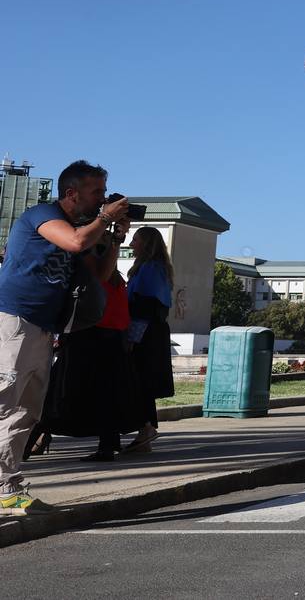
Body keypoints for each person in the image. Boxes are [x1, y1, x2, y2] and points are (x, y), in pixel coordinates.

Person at [0, 160, 130, 516]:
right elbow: (73, 243)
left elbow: (102, 274)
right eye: (97, 193)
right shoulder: (42, 215)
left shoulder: (84, 228)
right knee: (5, 402)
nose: (102, 199)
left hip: (43, 327)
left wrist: (115, 236)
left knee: (25, 411)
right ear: (72, 193)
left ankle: (8, 489)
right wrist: (104, 219)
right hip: (14, 321)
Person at [40, 219, 141, 462]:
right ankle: (108, 443)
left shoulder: (91, 278)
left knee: (57, 390)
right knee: (107, 393)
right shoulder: (118, 282)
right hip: (113, 340)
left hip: (86, 336)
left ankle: (38, 436)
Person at [122, 227, 176, 454]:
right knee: (142, 381)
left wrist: (132, 337)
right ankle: (145, 430)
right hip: (152, 330)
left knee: (139, 380)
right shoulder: (158, 268)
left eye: (135, 239)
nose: (131, 244)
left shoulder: (149, 269)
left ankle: (146, 427)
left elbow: (144, 306)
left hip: (144, 331)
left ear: (146, 244)